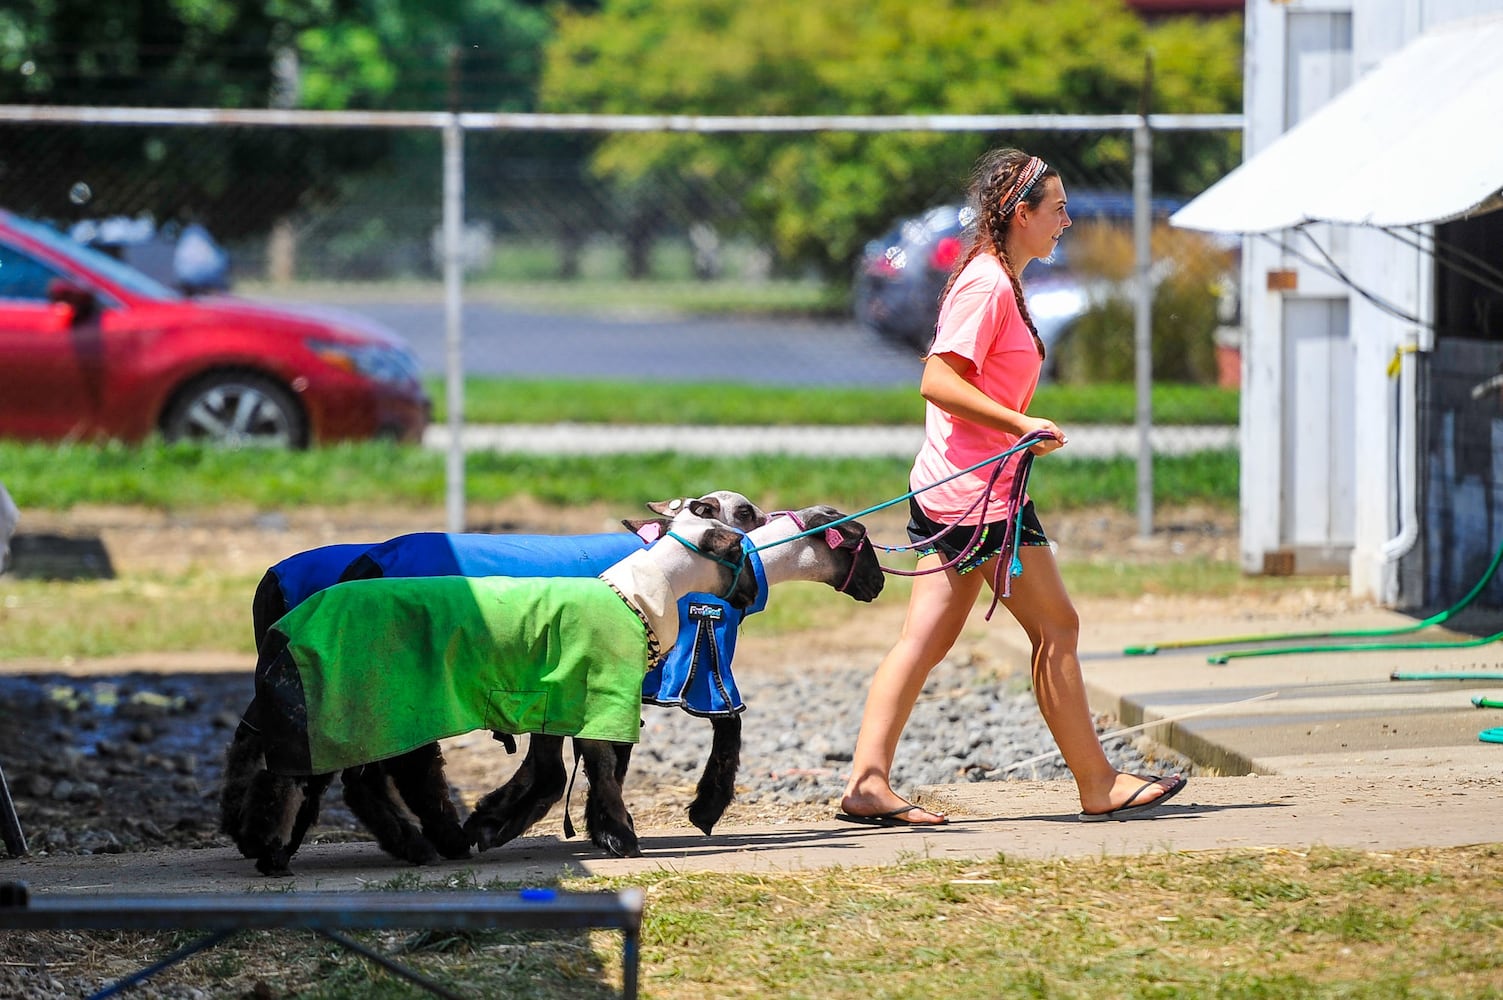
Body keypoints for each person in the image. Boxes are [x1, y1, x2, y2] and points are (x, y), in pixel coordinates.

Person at [838, 148, 1186, 826]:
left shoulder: (1000, 279)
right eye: (1055, 209)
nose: (1067, 220)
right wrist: (1019, 421)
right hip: (975, 499)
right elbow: (937, 379)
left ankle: (866, 782)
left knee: (926, 641)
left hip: (965, 491)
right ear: (1018, 214)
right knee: (1056, 625)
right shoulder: (987, 284)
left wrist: (1013, 432)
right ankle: (1096, 784)